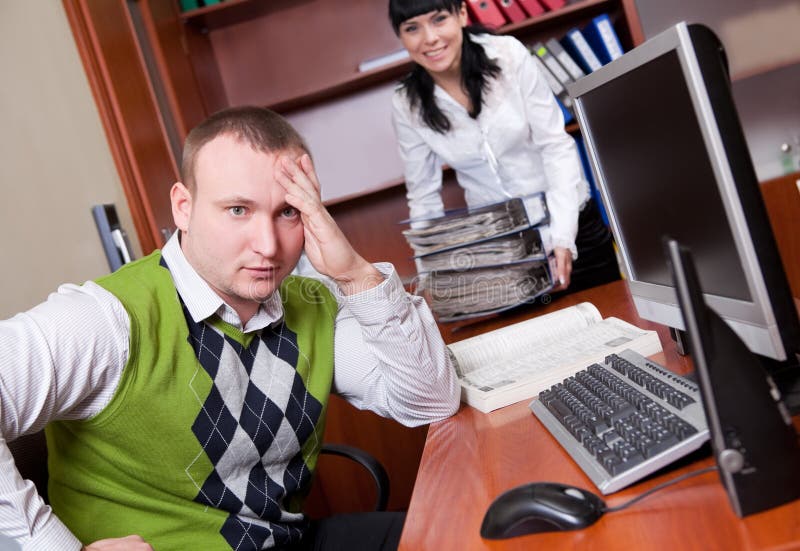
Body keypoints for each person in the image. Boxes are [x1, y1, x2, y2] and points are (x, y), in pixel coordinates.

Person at [0, 106, 460, 550]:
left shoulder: (314, 303)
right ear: (184, 207)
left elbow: (431, 400)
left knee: (462, 530)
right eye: (238, 210)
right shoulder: (108, 318)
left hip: (290, 540)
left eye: (288, 212)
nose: (268, 245)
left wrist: (356, 275)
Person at [389, 0, 620, 293]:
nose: (430, 38)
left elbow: (555, 145)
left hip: (572, 228)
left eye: (439, 20)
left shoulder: (508, 55)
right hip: (503, 252)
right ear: (401, 37)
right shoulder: (406, 103)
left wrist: (562, 237)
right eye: (412, 28)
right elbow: (423, 197)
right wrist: (429, 278)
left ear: (461, 14)